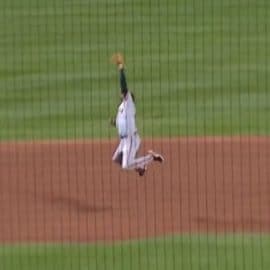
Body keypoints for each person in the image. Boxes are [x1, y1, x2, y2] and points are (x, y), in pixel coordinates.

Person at [110, 53, 164, 176]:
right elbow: (122, 124)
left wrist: (121, 68)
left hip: (131, 140)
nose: (121, 93)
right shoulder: (122, 108)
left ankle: (151, 158)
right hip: (124, 140)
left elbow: (124, 86)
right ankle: (140, 167)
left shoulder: (128, 103)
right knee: (116, 159)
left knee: (126, 165)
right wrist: (114, 123)